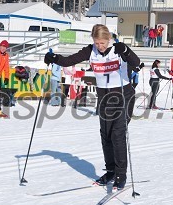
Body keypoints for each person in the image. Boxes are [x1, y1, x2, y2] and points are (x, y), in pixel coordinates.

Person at [44, 24, 140, 190]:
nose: (100, 46)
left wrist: (125, 51)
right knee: (106, 135)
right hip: (104, 97)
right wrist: (54, 59)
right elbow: (69, 60)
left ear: (108, 39)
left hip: (123, 95)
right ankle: (110, 171)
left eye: (102, 43)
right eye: (97, 43)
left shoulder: (117, 49)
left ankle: (120, 174)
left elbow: (136, 62)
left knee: (118, 135)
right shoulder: (91, 51)